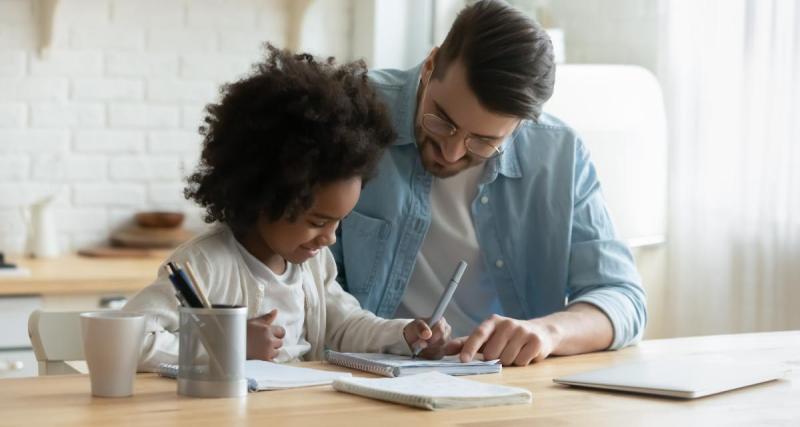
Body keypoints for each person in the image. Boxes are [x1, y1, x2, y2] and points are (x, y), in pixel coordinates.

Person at [331, 0, 647, 367]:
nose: (450, 152)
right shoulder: (350, 113)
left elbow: (623, 298)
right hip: (364, 376)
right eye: (441, 119)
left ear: (519, 125)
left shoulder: (559, 154)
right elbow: (299, 280)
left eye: (482, 140)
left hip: (506, 384)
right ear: (431, 65)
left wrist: (548, 332)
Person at [123, 45, 452, 372]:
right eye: (318, 221)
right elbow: (131, 339)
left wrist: (404, 334)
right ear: (264, 195)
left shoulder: (313, 266)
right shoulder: (204, 265)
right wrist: (229, 345)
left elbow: (345, 326)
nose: (330, 239)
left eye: (338, 223)